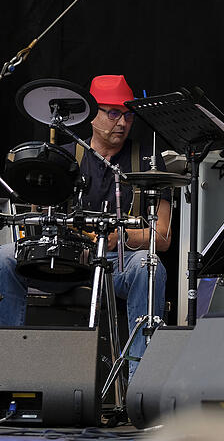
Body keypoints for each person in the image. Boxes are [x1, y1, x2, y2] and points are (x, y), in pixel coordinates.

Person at [0, 74, 172, 378]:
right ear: (92, 114)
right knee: (3, 259)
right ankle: (10, 370)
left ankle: (140, 385)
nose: (123, 123)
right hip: (66, 260)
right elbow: (39, 218)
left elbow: (163, 237)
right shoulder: (64, 155)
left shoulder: (147, 159)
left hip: (117, 265)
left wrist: (121, 236)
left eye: (129, 115)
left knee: (150, 266)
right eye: (114, 113)